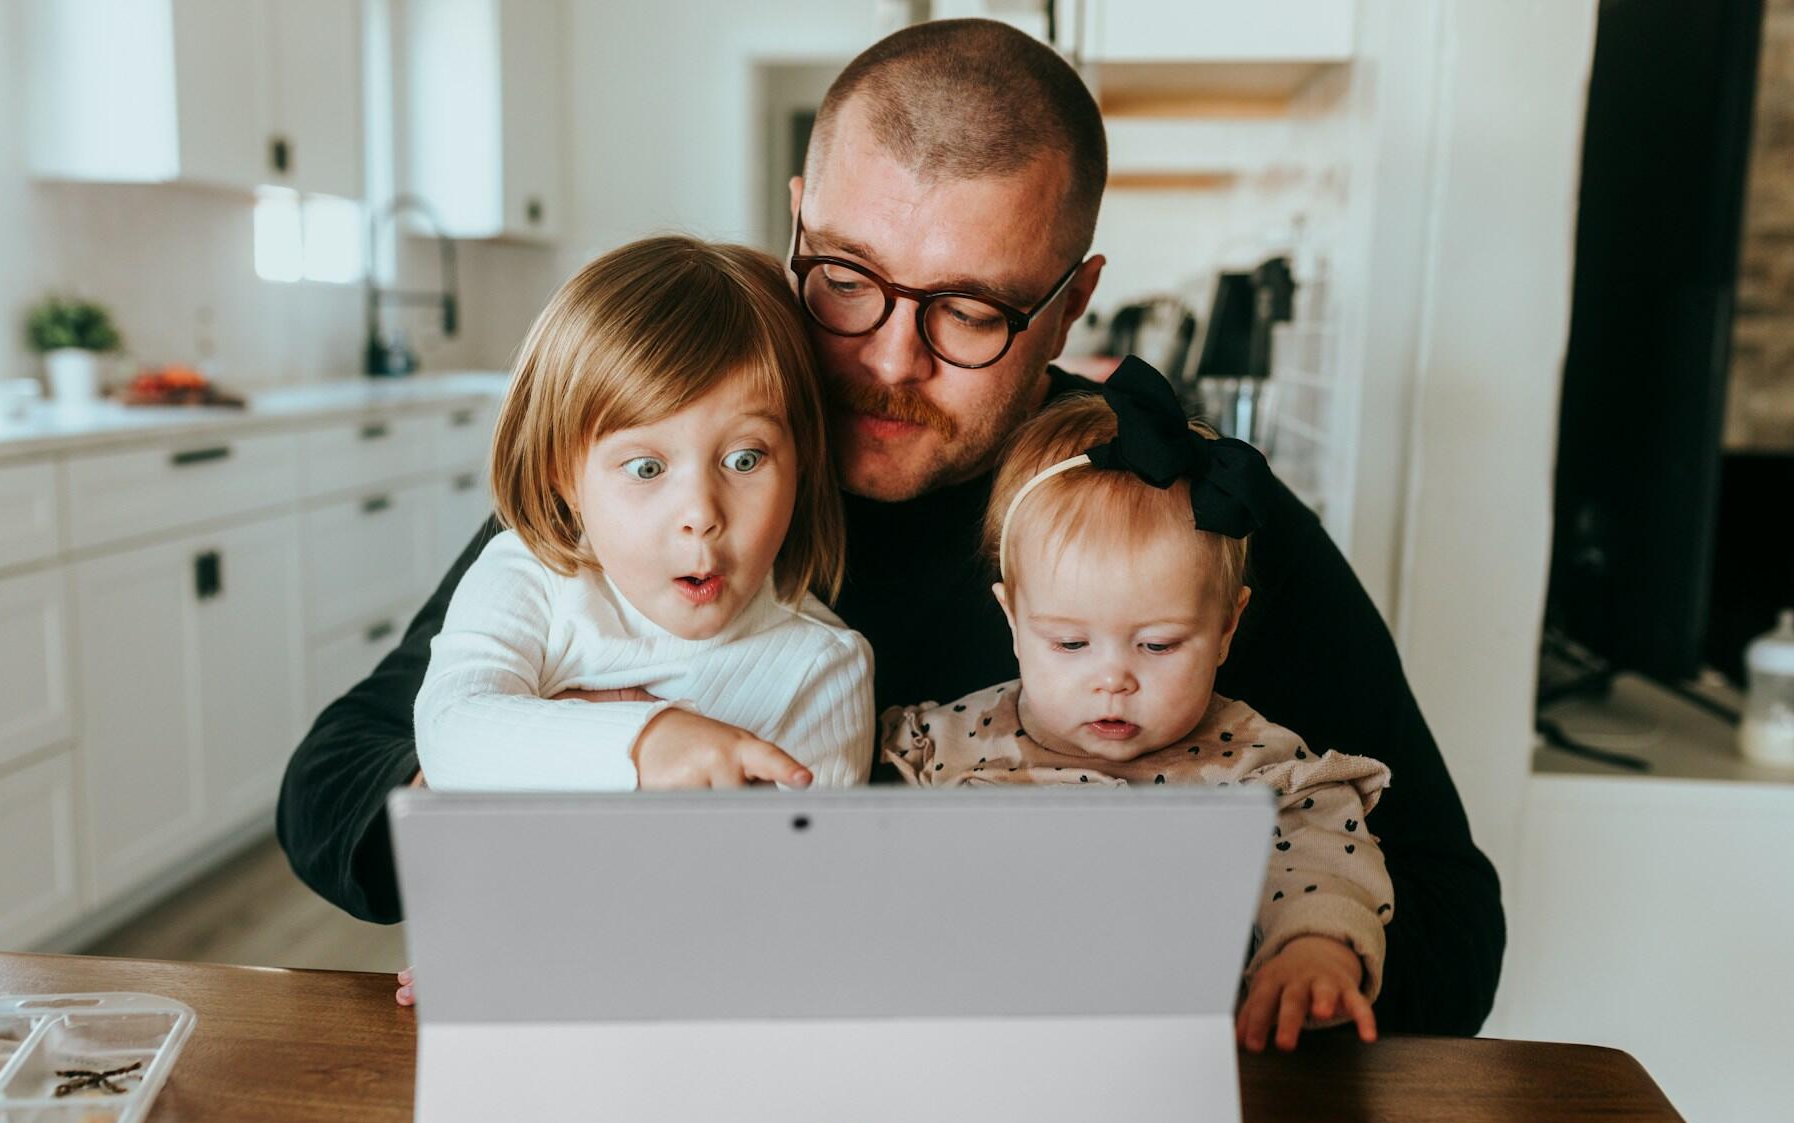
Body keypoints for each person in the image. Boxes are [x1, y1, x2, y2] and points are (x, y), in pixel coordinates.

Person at [279, 18, 1505, 1036]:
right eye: (847, 280)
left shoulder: (1166, 507)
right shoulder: (667, 480)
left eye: (971, 309)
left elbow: (1452, 915)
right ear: (799, 218)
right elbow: (332, 795)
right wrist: (550, 792)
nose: (885, 362)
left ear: (1074, 299)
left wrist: (1224, 946)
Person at [882, 360, 1393, 1052]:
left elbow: (1319, 867)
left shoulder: (1260, 771)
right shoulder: (937, 744)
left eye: (1156, 645)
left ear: (1226, 628)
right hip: (978, 1063)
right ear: (1011, 618)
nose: (1113, 679)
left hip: (1178, 1070)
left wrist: (1315, 953)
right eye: (1068, 642)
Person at [413, 235, 872, 797]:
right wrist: (646, 743)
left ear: (800, 464)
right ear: (565, 477)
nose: (701, 515)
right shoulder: (528, 580)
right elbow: (449, 733)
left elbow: (805, 876)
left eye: (744, 459)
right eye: (647, 469)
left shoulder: (821, 670)